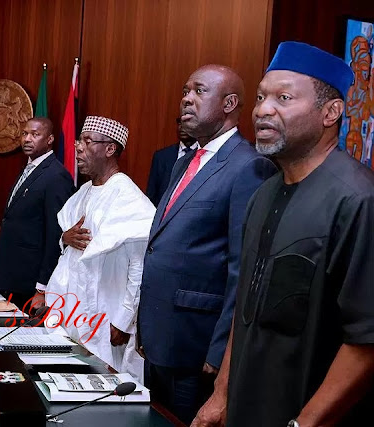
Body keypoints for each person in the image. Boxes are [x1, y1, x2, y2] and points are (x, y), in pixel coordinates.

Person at [193, 42, 374, 427]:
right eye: (260, 97)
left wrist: (304, 423)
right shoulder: (264, 193)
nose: (262, 110)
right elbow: (246, 308)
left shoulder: (359, 200)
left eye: (283, 97)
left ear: (330, 112)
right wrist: (222, 395)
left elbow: (366, 341)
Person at [137, 65, 276, 423]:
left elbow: (241, 268)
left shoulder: (249, 166)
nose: (186, 98)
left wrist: (218, 353)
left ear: (229, 103)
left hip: (196, 349)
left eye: (199, 91)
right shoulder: (184, 162)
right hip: (159, 339)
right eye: (185, 90)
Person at [44, 115, 156, 380]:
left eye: (88, 141)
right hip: (72, 314)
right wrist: (64, 239)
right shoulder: (83, 192)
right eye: (79, 140)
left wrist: (124, 321)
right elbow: (70, 250)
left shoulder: (128, 197)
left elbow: (139, 268)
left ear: (110, 149)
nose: (78, 147)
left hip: (106, 318)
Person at [0, 117, 74, 311]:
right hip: (13, 276)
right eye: (24, 134)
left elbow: (55, 234)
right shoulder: (30, 169)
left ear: (50, 139)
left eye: (35, 134)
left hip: (31, 283)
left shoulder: (56, 176)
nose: (27, 139)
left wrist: (42, 288)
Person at [146, 117, 199, 206]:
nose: (181, 127)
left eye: (187, 122)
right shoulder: (161, 156)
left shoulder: (205, 155)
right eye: (179, 123)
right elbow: (152, 194)